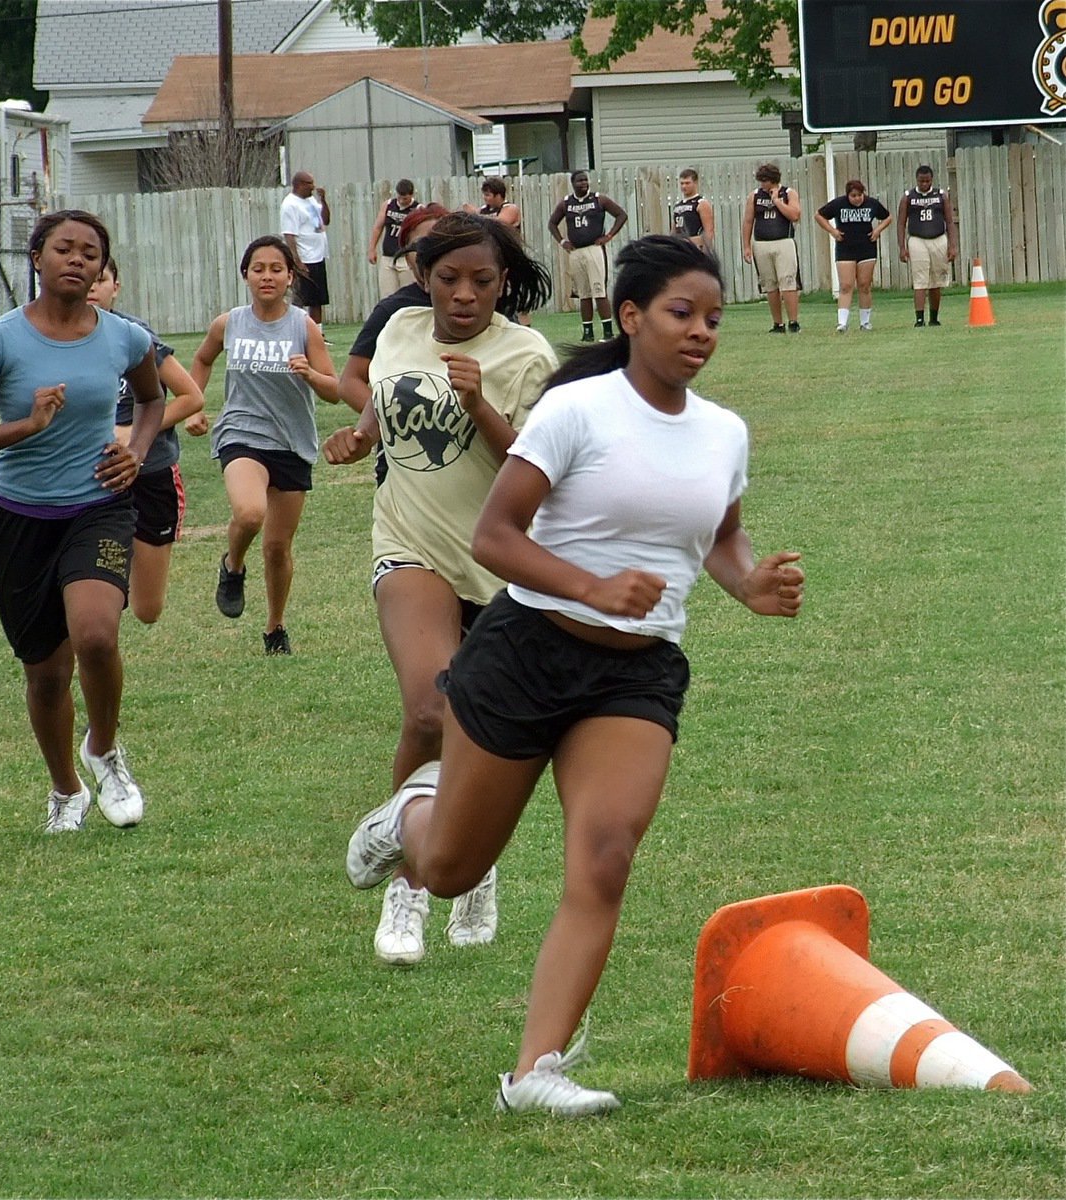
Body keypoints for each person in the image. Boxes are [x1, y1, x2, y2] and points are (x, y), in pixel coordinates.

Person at [344, 234, 804, 1114]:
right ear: (630, 317)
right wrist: (591, 585)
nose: (700, 331)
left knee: (603, 858)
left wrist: (750, 584)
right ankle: (409, 814)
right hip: (526, 652)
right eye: (681, 313)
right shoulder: (577, 411)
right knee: (447, 870)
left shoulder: (723, 432)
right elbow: (496, 537)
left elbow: (720, 537)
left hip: (636, 676)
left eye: (712, 317)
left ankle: (533, 1073)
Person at [325, 212, 557, 966]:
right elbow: (383, 394)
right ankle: (408, 884)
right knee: (429, 712)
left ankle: (472, 862)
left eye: (482, 282)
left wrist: (479, 404)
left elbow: (542, 464)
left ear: (503, 283)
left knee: (487, 738)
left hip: (502, 568)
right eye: (448, 279)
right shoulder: (398, 329)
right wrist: (361, 435)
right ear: (423, 277)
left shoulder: (525, 355)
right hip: (410, 547)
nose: (463, 295)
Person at [0, 209, 163, 833]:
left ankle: (105, 750)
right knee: (45, 675)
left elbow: (152, 399)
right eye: (63, 248)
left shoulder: (124, 337)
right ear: (36, 258)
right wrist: (27, 426)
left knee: (95, 635)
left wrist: (137, 451)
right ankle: (66, 789)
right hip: (20, 516)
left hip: (98, 506)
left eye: (89, 253)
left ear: (101, 268)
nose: (77, 260)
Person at [191, 236, 339, 655]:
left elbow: (334, 390)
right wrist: (195, 405)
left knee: (277, 548)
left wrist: (310, 374)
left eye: (277, 269)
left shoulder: (302, 326)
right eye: (259, 268)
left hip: (291, 443)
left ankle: (275, 628)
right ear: (246, 275)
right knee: (250, 512)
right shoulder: (229, 323)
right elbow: (202, 359)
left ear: (290, 276)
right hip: (241, 433)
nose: (267, 276)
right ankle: (232, 565)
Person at [87, 257, 206, 622]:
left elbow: (191, 397)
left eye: (101, 279)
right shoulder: (53, 339)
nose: (91, 287)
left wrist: (135, 434)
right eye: (86, 279)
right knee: (93, 597)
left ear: (115, 287)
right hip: (90, 481)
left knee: (147, 610)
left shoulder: (134, 335)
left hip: (151, 475)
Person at [339, 202, 450, 487]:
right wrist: (398, 418)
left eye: (442, 242)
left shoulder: (485, 303)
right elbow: (350, 380)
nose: (430, 253)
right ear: (406, 257)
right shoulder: (393, 311)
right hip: (404, 460)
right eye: (420, 246)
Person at [547, 169, 628, 342]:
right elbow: (552, 223)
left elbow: (621, 215)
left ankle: (608, 332)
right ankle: (587, 332)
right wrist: (562, 242)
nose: (583, 183)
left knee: (599, 290)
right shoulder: (566, 203)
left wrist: (609, 235)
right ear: (573, 183)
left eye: (585, 180)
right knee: (584, 293)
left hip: (594, 249)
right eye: (579, 181)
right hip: (576, 252)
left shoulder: (599, 199)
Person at [814, 180, 893, 333]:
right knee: (846, 285)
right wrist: (833, 231)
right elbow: (819, 215)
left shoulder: (872, 204)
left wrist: (877, 231)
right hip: (845, 249)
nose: (857, 198)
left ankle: (865, 322)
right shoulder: (838, 204)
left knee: (864, 285)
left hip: (867, 249)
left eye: (859, 195)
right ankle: (842, 323)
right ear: (847, 195)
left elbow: (888, 217)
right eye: (853, 196)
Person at [742, 163, 802, 333]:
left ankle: (793, 322)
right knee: (770, 284)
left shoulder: (788, 193)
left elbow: (795, 215)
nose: (762, 185)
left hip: (784, 241)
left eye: (765, 181)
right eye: (760, 181)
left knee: (788, 281)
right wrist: (746, 245)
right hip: (761, 243)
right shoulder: (754, 196)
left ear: (773, 180)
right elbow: (748, 221)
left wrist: (776, 201)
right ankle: (778, 323)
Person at [897, 164, 958, 327]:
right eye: (921, 181)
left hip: (938, 238)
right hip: (917, 240)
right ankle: (919, 318)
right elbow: (901, 223)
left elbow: (950, 221)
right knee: (920, 280)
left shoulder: (941, 196)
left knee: (936, 281)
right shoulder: (908, 197)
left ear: (932, 180)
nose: (924, 184)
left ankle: (934, 317)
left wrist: (952, 245)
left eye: (927, 181)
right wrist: (902, 247)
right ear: (917, 180)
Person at [465, 177, 530, 324]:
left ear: (499, 195)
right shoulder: (483, 211)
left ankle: (526, 329)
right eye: (484, 194)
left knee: (518, 298)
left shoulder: (510, 208)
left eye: (488, 195)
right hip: (492, 260)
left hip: (512, 259)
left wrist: (474, 215)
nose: (485, 198)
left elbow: (499, 223)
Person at [280, 170, 331, 333]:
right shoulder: (290, 204)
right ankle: (296, 332)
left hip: (317, 256)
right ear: (300, 185)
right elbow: (289, 234)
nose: (313, 186)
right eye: (309, 183)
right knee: (301, 299)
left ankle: (318, 333)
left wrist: (323, 200)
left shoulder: (310, 201)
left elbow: (325, 220)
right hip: (304, 257)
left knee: (317, 299)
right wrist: (297, 260)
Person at [367, 179, 419, 298]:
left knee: (407, 296)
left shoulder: (417, 209)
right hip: (388, 257)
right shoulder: (388, 205)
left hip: (405, 259)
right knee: (388, 296)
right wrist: (372, 249)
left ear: (411, 195)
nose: (401, 201)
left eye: (405, 198)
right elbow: (378, 227)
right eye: (399, 197)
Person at [670, 168, 715, 250]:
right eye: (682, 183)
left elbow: (709, 230)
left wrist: (706, 250)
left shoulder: (701, 203)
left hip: (695, 247)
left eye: (687, 183)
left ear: (695, 183)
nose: (684, 186)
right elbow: (674, 230)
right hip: (680, 247)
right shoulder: (677, 206)